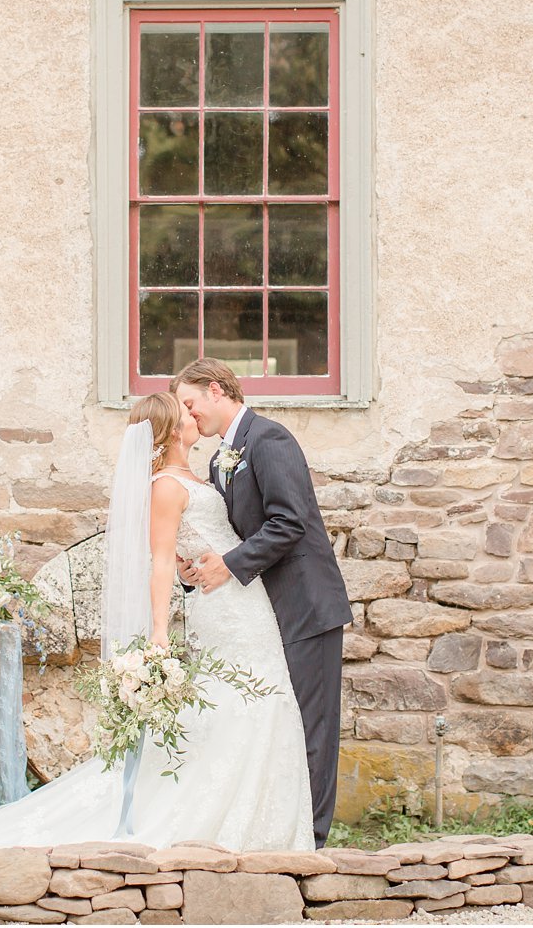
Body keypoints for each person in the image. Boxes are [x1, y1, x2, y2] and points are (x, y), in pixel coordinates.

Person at [0, 392, 313, 868]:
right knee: (244, 700)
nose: (192, 412)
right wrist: (160, 629)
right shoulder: (164, 487)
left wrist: (196, 564)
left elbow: (196, 544)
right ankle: (222, 823)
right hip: (219, 607)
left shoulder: (203, 476)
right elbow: (160, 562)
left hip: (243, 601)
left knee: (261, 699)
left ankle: (264, 827)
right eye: (183, 409)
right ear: (168, 429)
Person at [171, 358, 353, 849]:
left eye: (190, 404)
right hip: (263, 613)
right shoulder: (218, 460)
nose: (189, 416)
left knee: (312, 726)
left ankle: (312, 841)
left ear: (215, 390)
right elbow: (227, 535)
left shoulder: (269, 439)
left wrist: (227, 565)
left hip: (306, 605)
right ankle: (281, 831)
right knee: (282, 724)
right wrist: (194, 572)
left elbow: (289, 521)